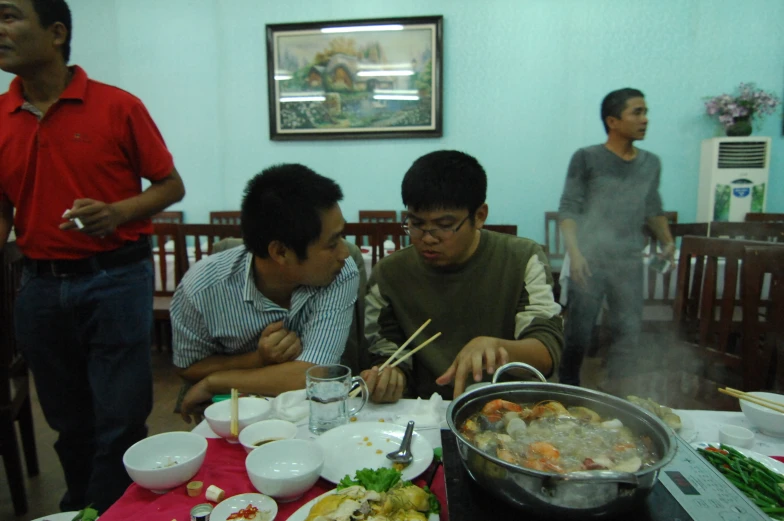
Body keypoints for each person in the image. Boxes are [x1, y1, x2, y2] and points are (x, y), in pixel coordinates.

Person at [0, 0, 186, 512]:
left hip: (115, 276)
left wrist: (117, 212)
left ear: (56, 32)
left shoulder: (117, 106)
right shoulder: (0, 116)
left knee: (121, 417)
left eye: (9, 16)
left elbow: (170, 185)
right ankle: (83, 500)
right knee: (65, 420)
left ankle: (112, 507)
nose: (0, 30)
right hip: (36, 285)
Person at [361, 150, 564, 402]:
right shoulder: (389, 273)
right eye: (415, 223)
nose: (427, 238)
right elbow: (386, 351)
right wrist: (391, 376)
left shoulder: (522, 259)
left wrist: (498, 348)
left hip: (507, 404)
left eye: (444, 226)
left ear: (479, 216)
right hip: (425, 409)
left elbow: (547, 350)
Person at [172, 164, 359, 419]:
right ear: (281, 252)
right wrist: (257, 359)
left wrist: (215, 382)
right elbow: (188, 367)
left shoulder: (340, 273)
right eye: (332, 243)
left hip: (311, 415)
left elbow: (313, 373)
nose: (345, 253)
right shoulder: (202, 287)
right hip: (236, 415)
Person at [557, 87, 675, 386]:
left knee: (628, 333)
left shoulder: (650, 163)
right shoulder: (586, 158)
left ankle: (618, 397)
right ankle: (567, 392)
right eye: (637, 112)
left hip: (629, 261)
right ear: (613, 121)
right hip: (590, 259)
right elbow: (569, 209)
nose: (645, 119)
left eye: (646, 112)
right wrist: (577, 253)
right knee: (578, 334)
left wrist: (667, 239)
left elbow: (652, 207)